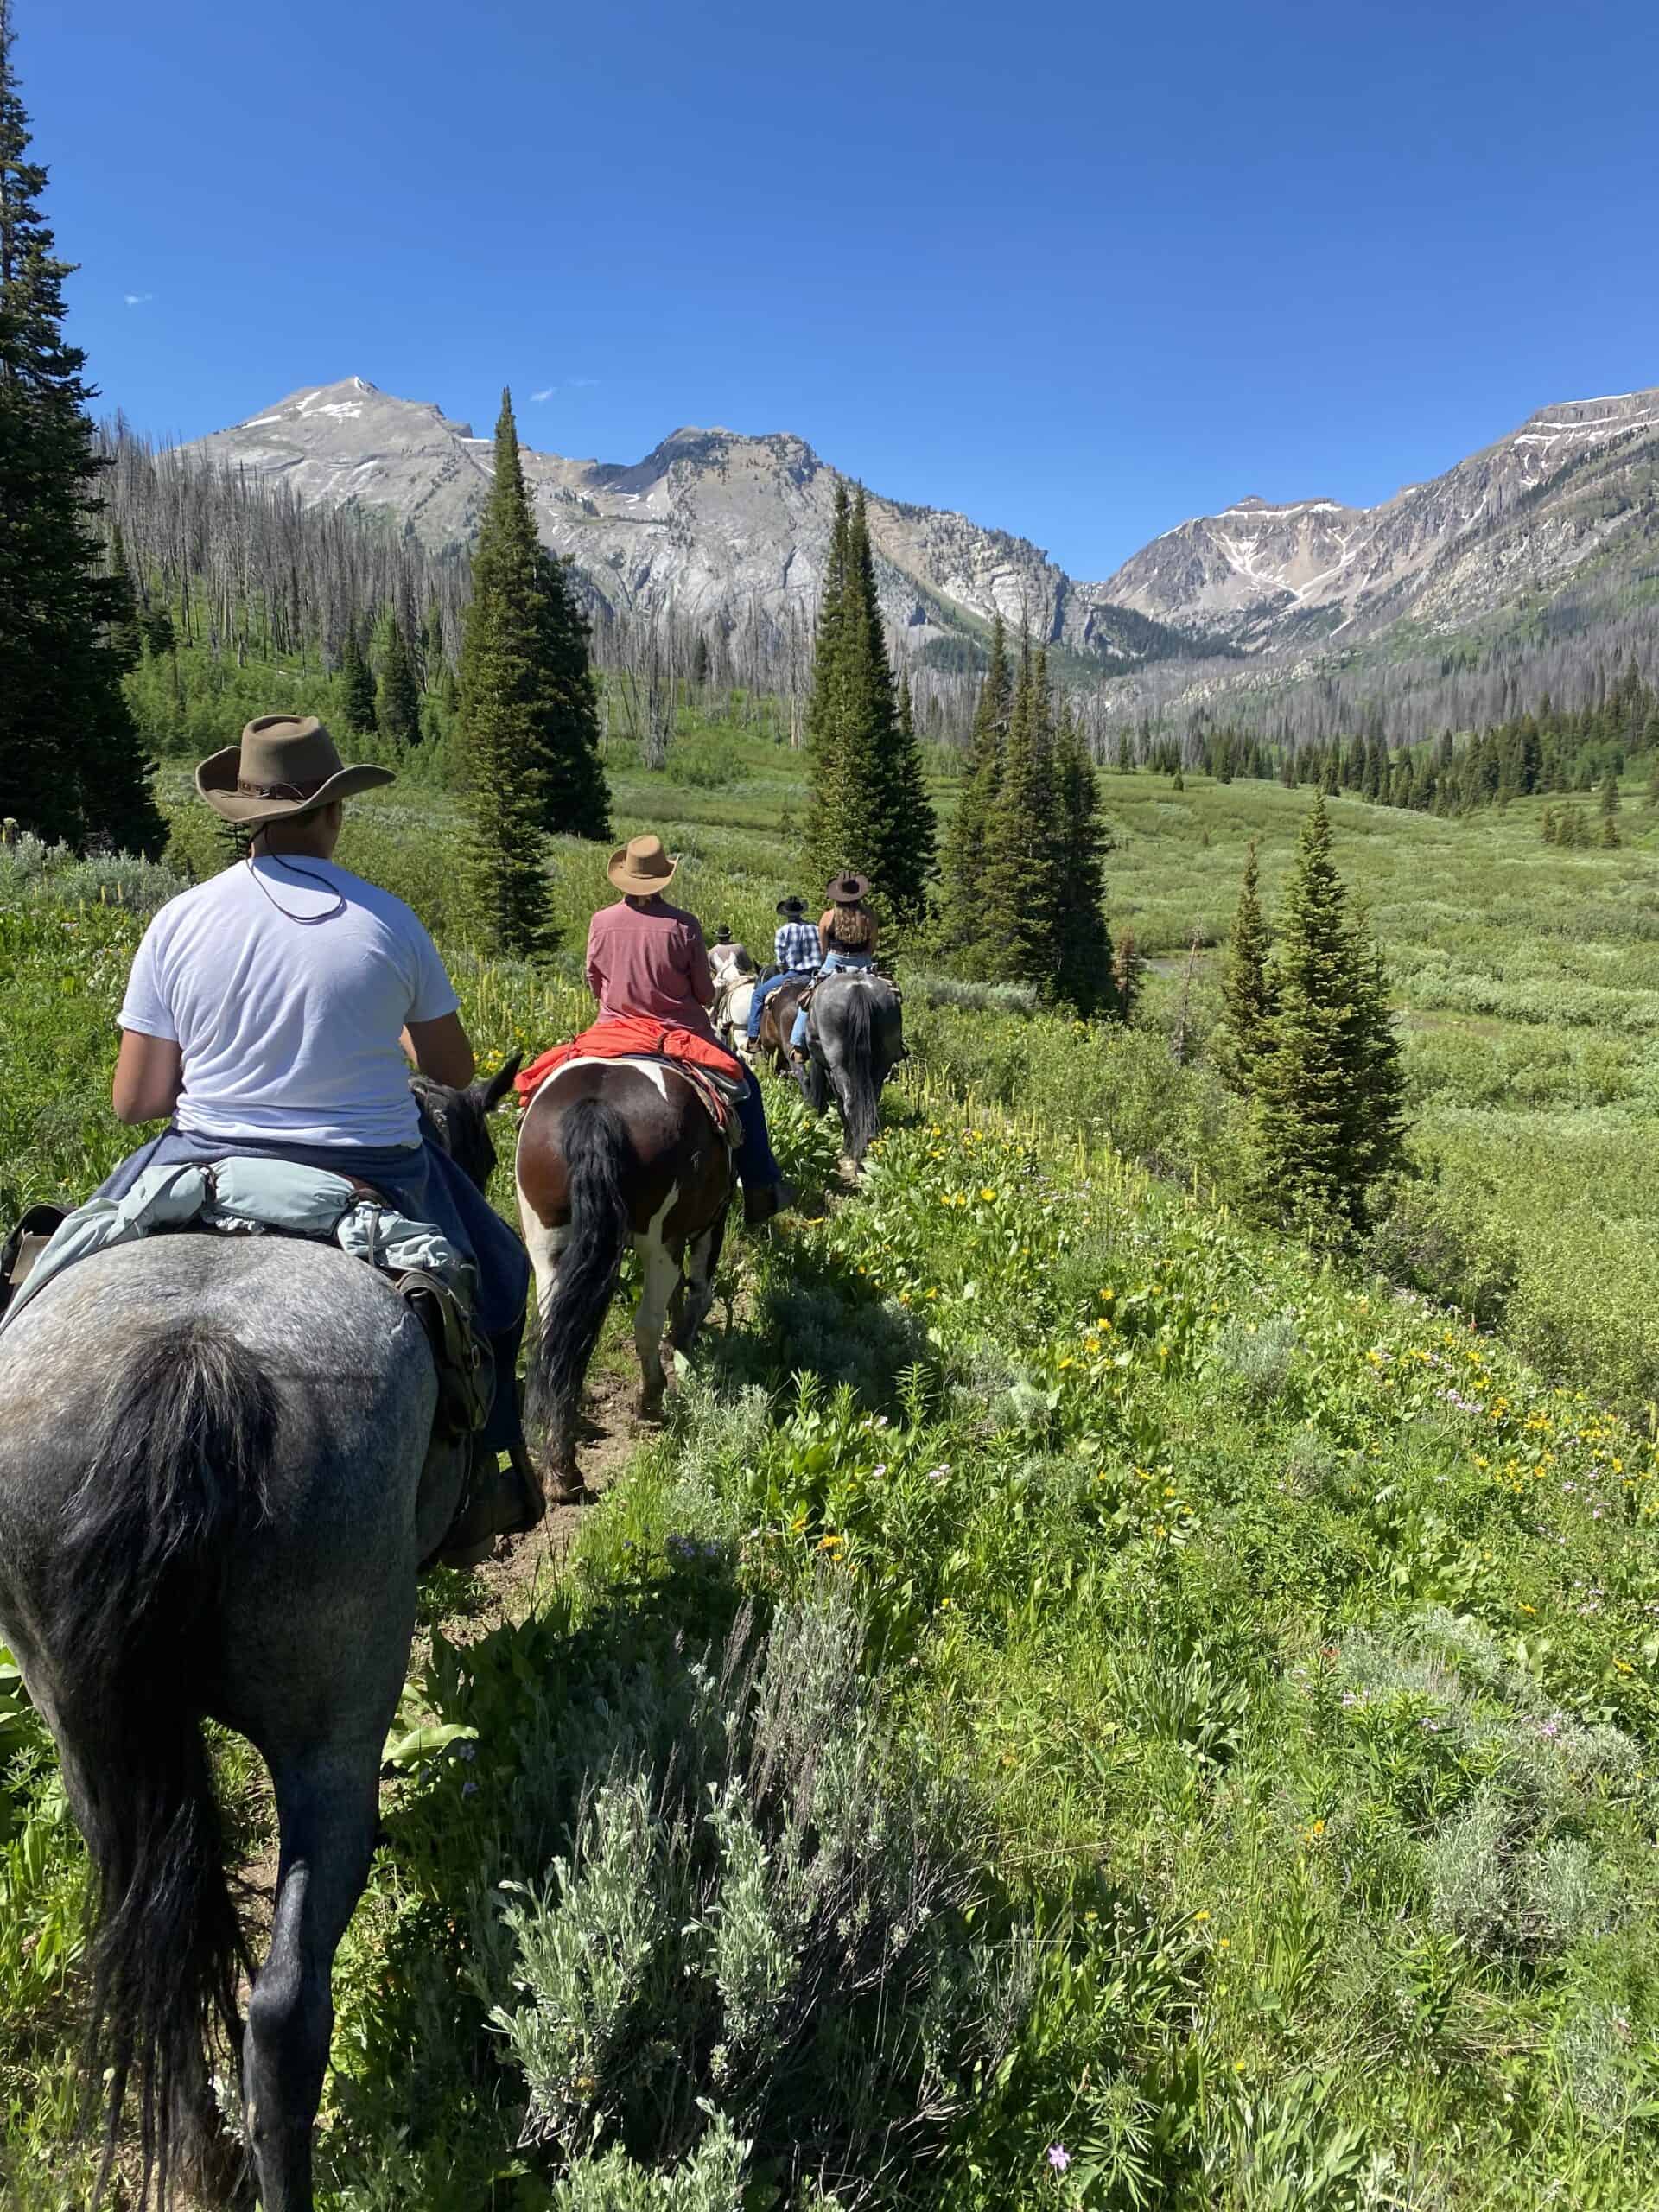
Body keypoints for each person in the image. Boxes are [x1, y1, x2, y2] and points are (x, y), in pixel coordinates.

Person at [94, 714, 539, 1554]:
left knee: (52, 1259)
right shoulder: (389, 922)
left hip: (206, 1159)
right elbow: (450, 1073)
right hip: (373, 1166)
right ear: (334, 811)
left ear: (246, 816)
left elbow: (138, 1100)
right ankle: (488, 1473)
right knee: (506, 1277)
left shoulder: (178, 921)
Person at [587, 835, 791, 1225]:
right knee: (746, 1087)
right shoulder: (683, 924)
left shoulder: (600, 921)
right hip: (678, 1034)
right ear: (662, 879)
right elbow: (702, 991)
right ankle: (761, 1185)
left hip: (612, 1030)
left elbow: (594, 980)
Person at [791, 873, 879, 1058]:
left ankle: (798, 1045)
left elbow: (823, 949)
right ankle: (894, 1043)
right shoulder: (870, 915)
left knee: (806, 999)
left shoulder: (828, 917)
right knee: (891, 993)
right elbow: (872, 947)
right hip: (863, 962)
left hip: (835, 962)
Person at [746, 893, 822, 1044]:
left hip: (793, 975)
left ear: (786, 914)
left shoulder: (782, 931)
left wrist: (783, 967)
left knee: (758, 995)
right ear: (801, 912)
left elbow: (780, 960)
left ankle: (753, 1037)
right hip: (815, 974)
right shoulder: (815, 928)